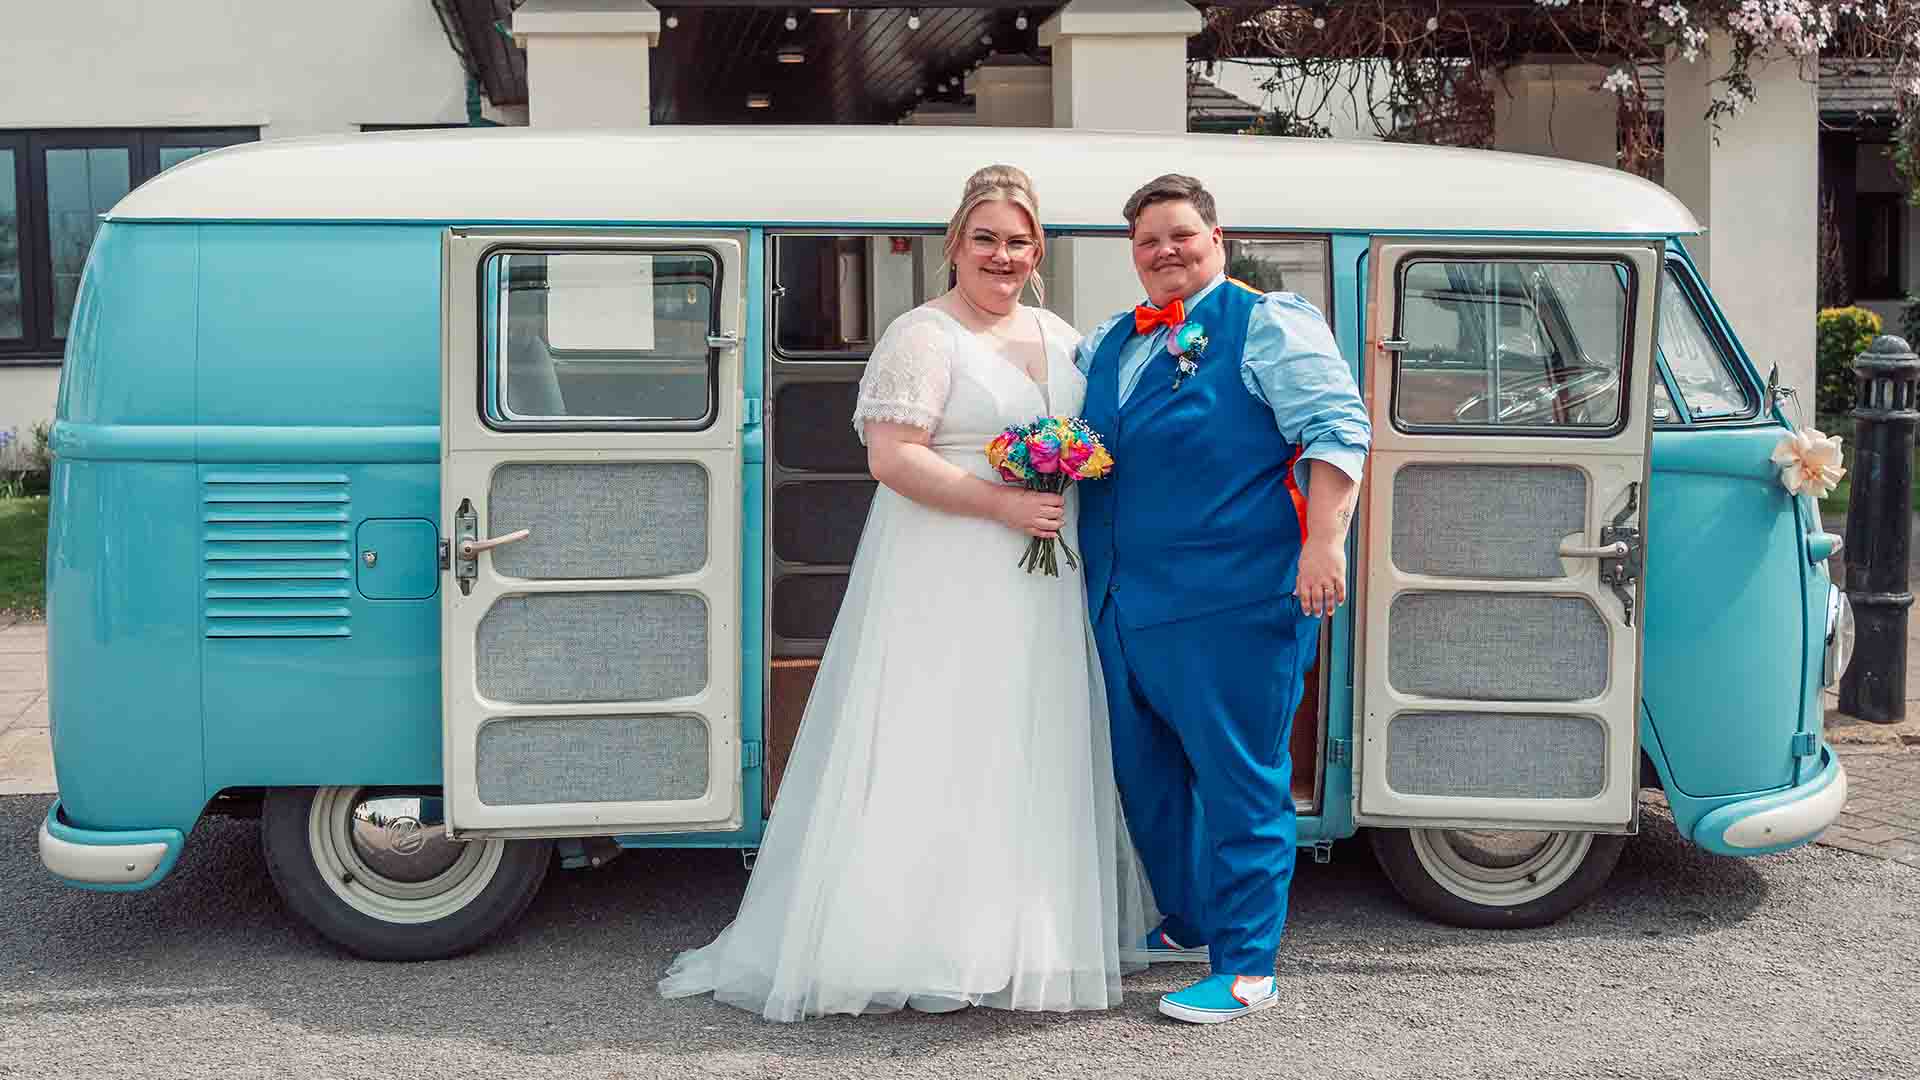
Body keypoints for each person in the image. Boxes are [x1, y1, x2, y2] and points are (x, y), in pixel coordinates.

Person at [660, 164, 1151, 1022]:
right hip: (947, 564)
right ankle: (911, 941)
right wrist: (1002, 504)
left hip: (1041, 574)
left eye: (1019, 240)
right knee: (942, 735)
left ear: (1040, 251)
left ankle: (1016, 940)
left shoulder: (1059, 331)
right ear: (954, 245)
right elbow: (893, 459)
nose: (1003, 255)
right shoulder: (923, 335)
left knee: (1027, 737)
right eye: (986, 238)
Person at [1076, 174, 1371, 1025]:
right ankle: (1191, 921)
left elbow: (1337, 428)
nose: (1165, 251)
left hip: (1232, 602)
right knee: (1150, 779)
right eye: (1147, 242)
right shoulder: (1111, 343)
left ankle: (1247, 968)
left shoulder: (1268, 321)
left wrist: (1323, 542)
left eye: (1180, 235)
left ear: (1217, 235)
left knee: (1242, 781)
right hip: (1125, 602)